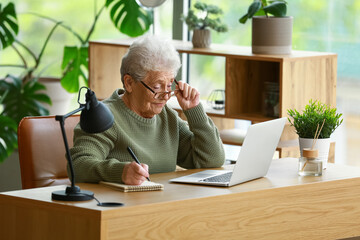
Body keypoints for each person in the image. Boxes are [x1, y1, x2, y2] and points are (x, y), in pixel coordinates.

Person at [70, 35, 225, 185]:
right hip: (121, 207)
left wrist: (194, 110)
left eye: (170, 85)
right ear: (129, 83)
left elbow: (212, 160)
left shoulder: (167, 116)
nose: (165, 96)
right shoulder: (105, 118)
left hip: (162, 204)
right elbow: (77, 165)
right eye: (157, 87)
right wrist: (120, 172)